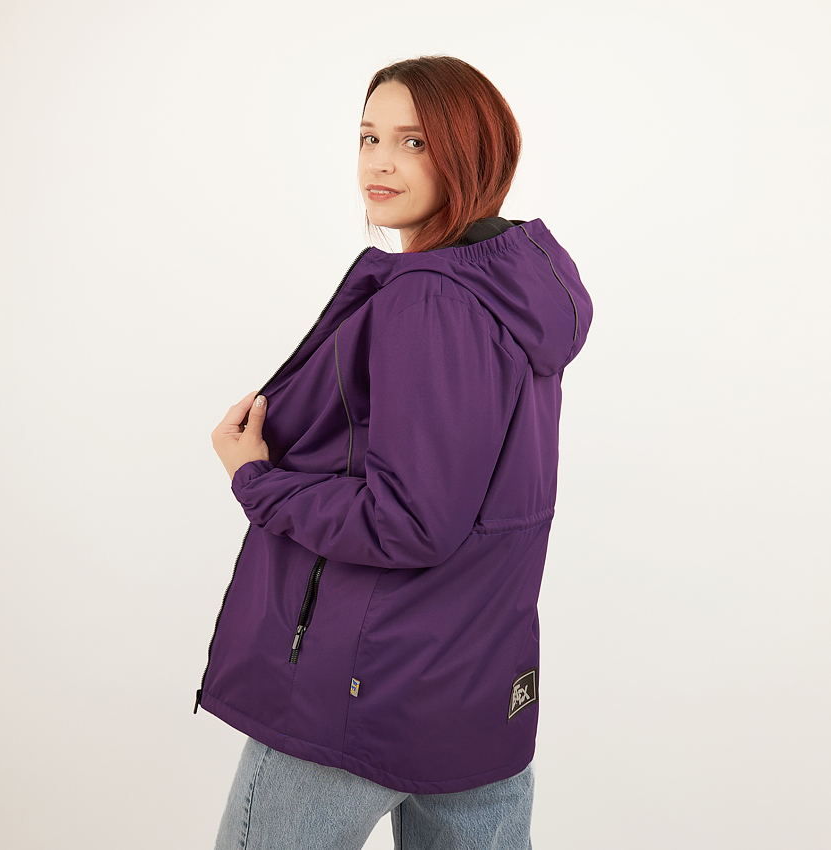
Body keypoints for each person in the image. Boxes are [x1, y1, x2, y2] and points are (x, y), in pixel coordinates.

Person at [197, 55, 593, 849]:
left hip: (363, 691)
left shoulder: (430, 298)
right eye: (368, 137)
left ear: (472, 153)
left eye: (414, 142)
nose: (379, 162)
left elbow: (410, 521)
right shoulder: (514, 284)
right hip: (479, 693)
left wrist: (256, 479)